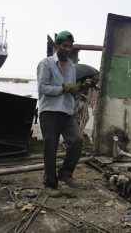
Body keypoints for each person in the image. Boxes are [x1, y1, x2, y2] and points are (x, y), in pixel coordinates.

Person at [37, 30, 87, 197]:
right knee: (50, 148)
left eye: (70, 46)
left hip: (66, 110)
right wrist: (63, 88)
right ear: (57, 46)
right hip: (49, 111)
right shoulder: (46, 63)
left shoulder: (72, 66)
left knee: (78, 140)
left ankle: (65, 173)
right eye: (64, 46)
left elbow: (71, 88)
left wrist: (79, 88)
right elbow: (43, 88)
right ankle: (50, 183)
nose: (68, 49)